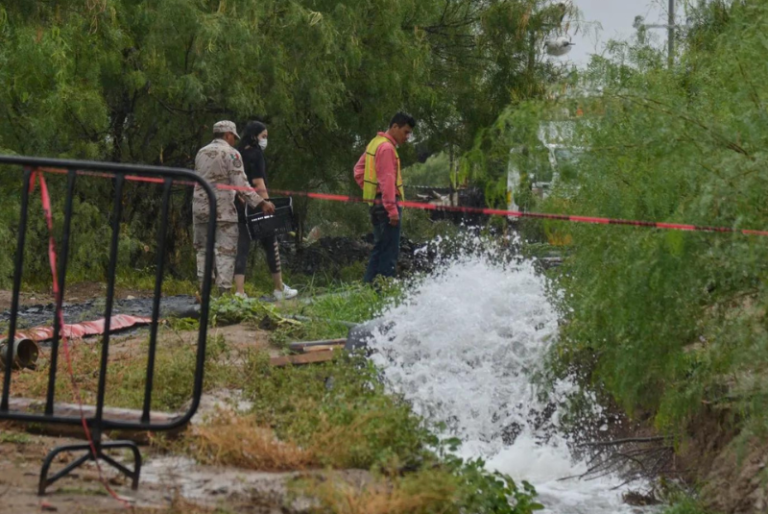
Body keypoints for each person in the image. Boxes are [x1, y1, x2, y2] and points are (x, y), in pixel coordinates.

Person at [193, 120, 274, 294]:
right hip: (222, 209)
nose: (234, 141)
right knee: (225, 251)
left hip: (199, 208)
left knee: (203, 250)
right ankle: (223, 293)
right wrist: (262, 203)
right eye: (233, 137)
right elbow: (242, 185)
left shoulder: (201, 152)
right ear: (228, 135)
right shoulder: (232, 154)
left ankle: (203, 290)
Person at [234, 121, 298, 300]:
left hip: (240, 206)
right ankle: (278, 288)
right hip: (257, 207)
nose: (265, 141)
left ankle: (239, 292)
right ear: (254, 136)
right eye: (263, 137)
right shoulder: (256, 154)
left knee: (242, 248)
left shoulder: (238, 154)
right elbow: (258, 182)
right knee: (271, 245)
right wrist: (266, 204)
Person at [354, 112, 415, 284]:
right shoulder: (387, 148)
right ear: (394, 127)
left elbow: (358, 171)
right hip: (387, 205)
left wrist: (373, 191)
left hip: (376, 204)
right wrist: (391, 209)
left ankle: (369, 287)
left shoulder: (375, 144)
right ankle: (384, 291)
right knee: (389, 250)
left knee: (380, 247)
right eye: (405, 132)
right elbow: (387, 179)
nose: (407, 137)